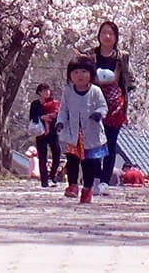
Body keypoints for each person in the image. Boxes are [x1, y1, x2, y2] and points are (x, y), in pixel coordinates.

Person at [85, 20, 131, 194]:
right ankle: (95, 178)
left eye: (111, 33)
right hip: (94, 102)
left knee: (110, 143)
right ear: (99, 35)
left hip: (115, 105)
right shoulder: (91, 55)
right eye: (104, 32)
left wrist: (123, 102)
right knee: (95, 142)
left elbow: (126, 80)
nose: (107, 36)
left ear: (116, 37)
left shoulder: (122, 57)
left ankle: (105, 180)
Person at [57, 56, 109, 204]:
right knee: (72, 160)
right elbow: (63, 110)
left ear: (91, 74)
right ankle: (72, 186)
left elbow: (103, 106)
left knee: (89, 165)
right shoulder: (68, 91)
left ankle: (87, 189)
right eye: (75, 72)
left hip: (91, 133)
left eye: (83, 72)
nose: (79, 75)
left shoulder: (95, 91)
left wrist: (99, 113)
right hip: (73, 133)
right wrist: (60, 122)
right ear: (70, 76)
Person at [28, 82, 61, 187]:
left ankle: (52, 176)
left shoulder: (54, 103)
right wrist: (42, 117)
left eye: (48, 90)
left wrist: (51, 117)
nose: (47, 92)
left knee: (57, 152)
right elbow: (32, 117)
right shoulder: (35, 104)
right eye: (44, 90)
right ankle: (44, 180)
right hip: (40, 132)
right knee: (42, 156)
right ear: (39, 92)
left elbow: (58, 115)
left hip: (52, 132)